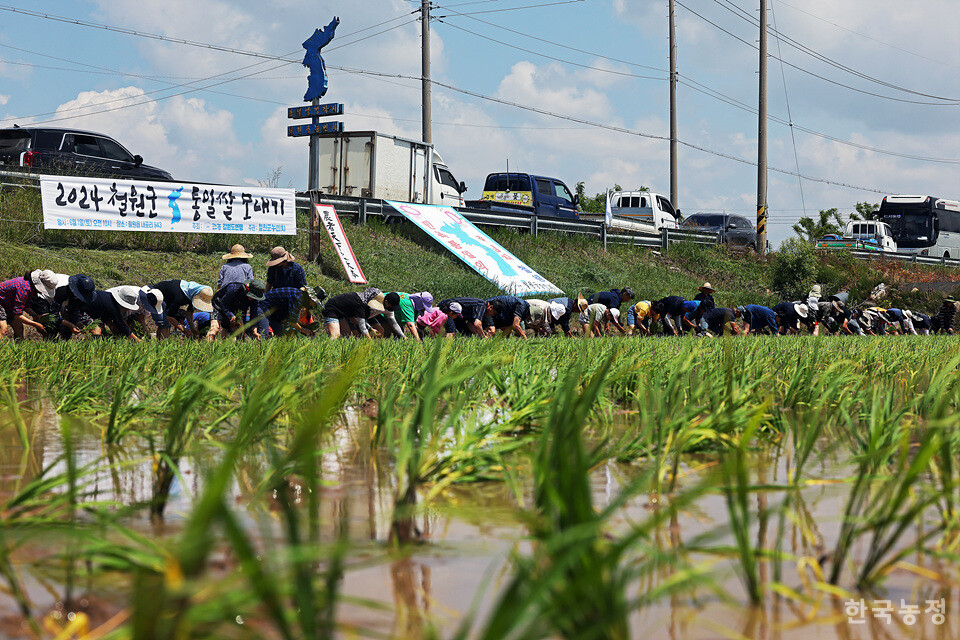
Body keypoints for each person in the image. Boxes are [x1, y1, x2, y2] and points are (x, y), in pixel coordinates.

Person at [0, 270, 57, 339]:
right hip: (1, 303)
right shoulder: (25, 288)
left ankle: (17, 349)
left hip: (7, 305)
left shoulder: (31, 288)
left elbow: (25, 305)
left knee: (19, 328)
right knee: (3, 328)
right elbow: (17, 315)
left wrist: (35, 315)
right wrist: (35, 324)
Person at [150, 280, 214, 339]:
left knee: (163, 324)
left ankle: (158, 343)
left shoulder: (192, 295)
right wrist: (184, 330)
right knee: (165, 324)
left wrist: (193, 329)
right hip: (154, 297)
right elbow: (169, 317)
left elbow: (189, 314)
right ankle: (162, 347)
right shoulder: (180, 297)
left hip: (166, 302)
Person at [260, 286, 326, 337]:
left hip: (274, 314)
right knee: (264, 334)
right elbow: (293, 322)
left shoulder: (300, 295)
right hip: (264, 307)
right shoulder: (298, 299)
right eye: (314, 302)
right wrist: (303, 330)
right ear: (310, 297)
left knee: (280, 336)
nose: (314, 304)